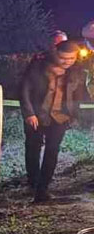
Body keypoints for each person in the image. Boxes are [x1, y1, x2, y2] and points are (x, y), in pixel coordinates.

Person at [20, 40, 84, 202]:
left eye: (72, 58)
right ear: (56, 53)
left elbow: (78, 94)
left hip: (60, 117)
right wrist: (29, 113)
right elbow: (25, 90)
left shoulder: (76, 71)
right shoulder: (39, 66)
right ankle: (33, 182)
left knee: (52, 150)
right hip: (37, 115)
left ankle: (43, 188)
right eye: (64, 58)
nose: (68, 62)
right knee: (33, 148)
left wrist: (74, 115)